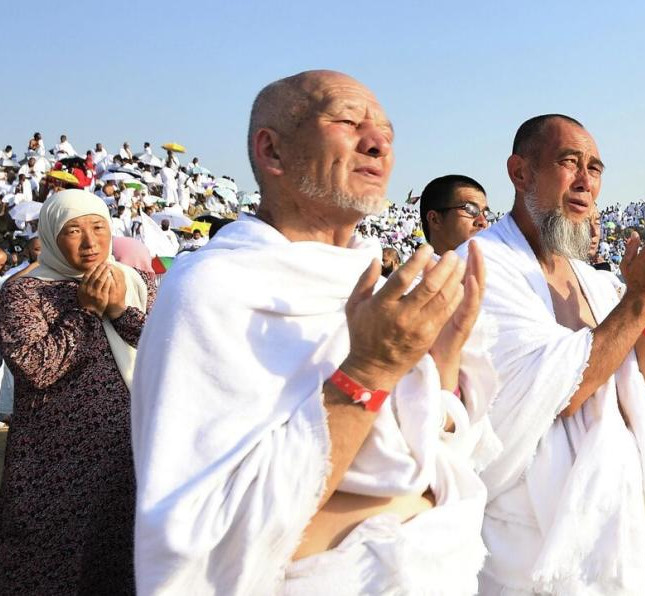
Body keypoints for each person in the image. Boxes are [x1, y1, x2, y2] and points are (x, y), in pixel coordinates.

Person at [132, 69, 492, 595]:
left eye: (387, 134)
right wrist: (369, 370)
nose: (378, 143)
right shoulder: (213, 290)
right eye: (349, 121)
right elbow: (205, 533)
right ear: (272, 152)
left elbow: (425, 454)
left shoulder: (373, 281)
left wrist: (446, 353)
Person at [459, 114, 645, 595]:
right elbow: (557, 393)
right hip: (528, 541)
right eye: (569, 163)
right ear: (520, 172)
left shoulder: (595, 281)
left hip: (614, 528)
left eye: (595, 168)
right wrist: (640, 298)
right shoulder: (481, 266)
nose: (586, 181)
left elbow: (644, 387)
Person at [0, 189, 154, 594]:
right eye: (73, 230)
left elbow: (168, 350)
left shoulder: (136, 283)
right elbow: (39, 367)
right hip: (52, 459)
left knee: (121, 563)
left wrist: (120, 311)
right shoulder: (25, 293)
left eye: (98, 227)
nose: (90, 242)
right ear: (51, 235)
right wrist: (85, 312)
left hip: (126, 452)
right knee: (51, 567)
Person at [419, 174, 491, 254]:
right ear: (435, 220)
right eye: (470, 209)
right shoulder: (415, 266)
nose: (483, 222)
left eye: (486, 213)